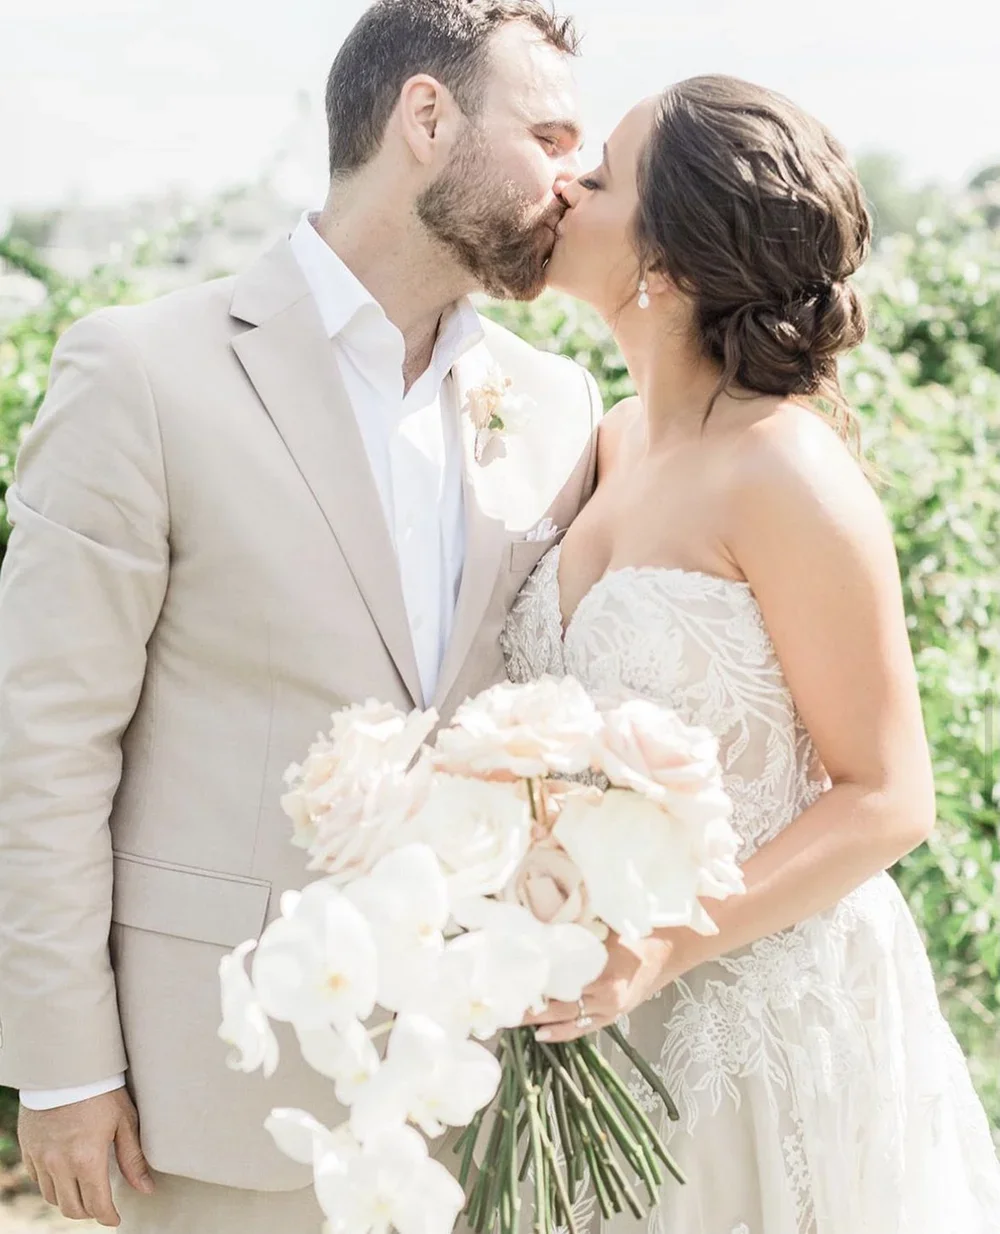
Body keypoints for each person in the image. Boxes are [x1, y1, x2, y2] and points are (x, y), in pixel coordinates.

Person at [0, 2, 602, 1230]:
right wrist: (61, 1062)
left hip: (484, 1090)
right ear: (425, 118)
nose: (575, 178)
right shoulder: (145, 371)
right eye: (547, 135)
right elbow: (41, 740)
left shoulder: (558, 402)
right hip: (213, 1094)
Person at [505, 76, 1000, 1232]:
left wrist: (663, 946)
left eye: (604, 175)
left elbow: (888, 795)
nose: (568, 183)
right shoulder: (610, 441)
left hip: (759, 1012)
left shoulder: (786, 470)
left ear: (664, 266)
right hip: (600, 1004)